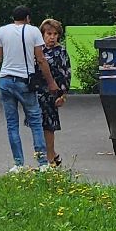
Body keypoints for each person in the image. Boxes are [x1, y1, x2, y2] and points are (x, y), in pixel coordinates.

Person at [0, 7, 60, 172]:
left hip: (5, 81)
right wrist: (51, 82)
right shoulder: (33, 31)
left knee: (12, 124)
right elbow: (41, 60)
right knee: (35, 122)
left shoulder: (2, 31)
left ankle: (18, 164)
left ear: (13, 18)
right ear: (28, 18)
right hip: (24, 82)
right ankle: (42, 163)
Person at [35, 18, 73, 166]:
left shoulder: (60, 51)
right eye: (48, 33)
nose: (52, 37)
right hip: (37, 92)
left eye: (55, 34)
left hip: (52, 92)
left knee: (49, 126)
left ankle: (50, 156)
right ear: (42, 35)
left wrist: (63, 95)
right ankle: (47, 154)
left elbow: (66, 73)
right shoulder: (38, 50)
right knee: (37, 124)